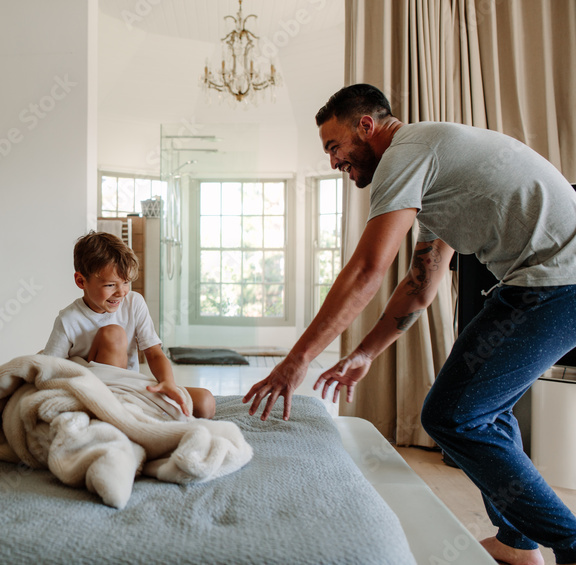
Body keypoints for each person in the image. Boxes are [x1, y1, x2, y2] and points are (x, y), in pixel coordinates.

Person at [243, 83, 576, 565]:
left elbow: (366, 270)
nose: (334, 162)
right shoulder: (432, 169)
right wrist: (363, 354)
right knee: (487, 410)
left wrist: (297, 362)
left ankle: (568, 540)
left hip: (556, 281)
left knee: (453, 415)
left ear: (366, 126)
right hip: (547, 280)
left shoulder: (405, 153)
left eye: (334, 146)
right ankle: (515, 541)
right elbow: (420, 284)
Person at [43, 231, 216, 419]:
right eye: (110, 285)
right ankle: (120, 415)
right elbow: (49, 372)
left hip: (132, 388)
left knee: (205, 402)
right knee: (114, 334)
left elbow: (154, 353)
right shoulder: (68, 320)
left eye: (126, 282)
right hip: (97, 393)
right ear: (81, 281)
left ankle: (132, 414)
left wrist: (167, 383)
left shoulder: (134, 303)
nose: (121, 292)